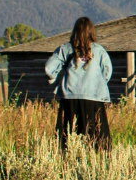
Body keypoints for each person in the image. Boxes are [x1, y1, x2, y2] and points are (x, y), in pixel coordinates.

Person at [45, 17, 113, 150]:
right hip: (93, 98)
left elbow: (49, 68)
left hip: (70, 98)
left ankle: (68, 160)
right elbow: (107, 71)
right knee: (97, 138)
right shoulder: (98, 50)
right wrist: (99, 83)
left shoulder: (65, 49)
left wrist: (54, 78)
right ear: (91, 32)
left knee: (68, 136)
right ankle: (96, 163)